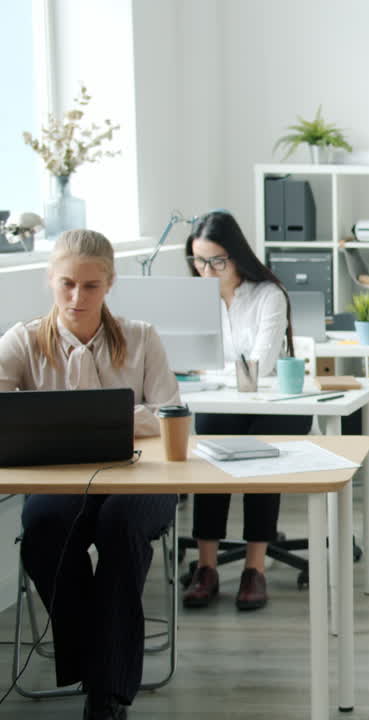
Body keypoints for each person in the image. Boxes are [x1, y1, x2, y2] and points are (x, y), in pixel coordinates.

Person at [0, 229, 181, 720]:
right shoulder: (22, 340)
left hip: (142, 478)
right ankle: (97, 663)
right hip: (60, 479)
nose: (77, 298)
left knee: (119, 529)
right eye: (67, 284)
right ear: (50, 280)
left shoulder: (141, 338)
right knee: (43, 532)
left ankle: (107, 697)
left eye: (91, 286)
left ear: (109, 284)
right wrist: (127, 416)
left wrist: (128, 419)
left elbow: (171, 413)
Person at [181, 211, 309, 611]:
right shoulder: (196, 300)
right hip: (220, 401)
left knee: (259, 462)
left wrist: (215, 371)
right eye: (199, 261)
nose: (207, 271)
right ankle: (207, 567)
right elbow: (189, 358)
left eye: (217, 261)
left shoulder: (268, 295)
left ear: (236, 255)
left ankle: (255, 568)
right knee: (209, 456)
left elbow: (263, 363)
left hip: (270, 404)